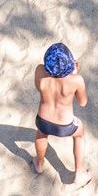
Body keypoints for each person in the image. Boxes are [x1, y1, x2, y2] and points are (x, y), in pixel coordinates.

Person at [33, 41, 90, 185]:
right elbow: (83, 102)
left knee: (41, 134)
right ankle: (79, 173)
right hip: (65, 126)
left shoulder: (39, 70)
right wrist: (74, 74)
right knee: (79, 134)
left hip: (42, 120)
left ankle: (39, 163)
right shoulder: (76, 80)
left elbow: (38, 87)